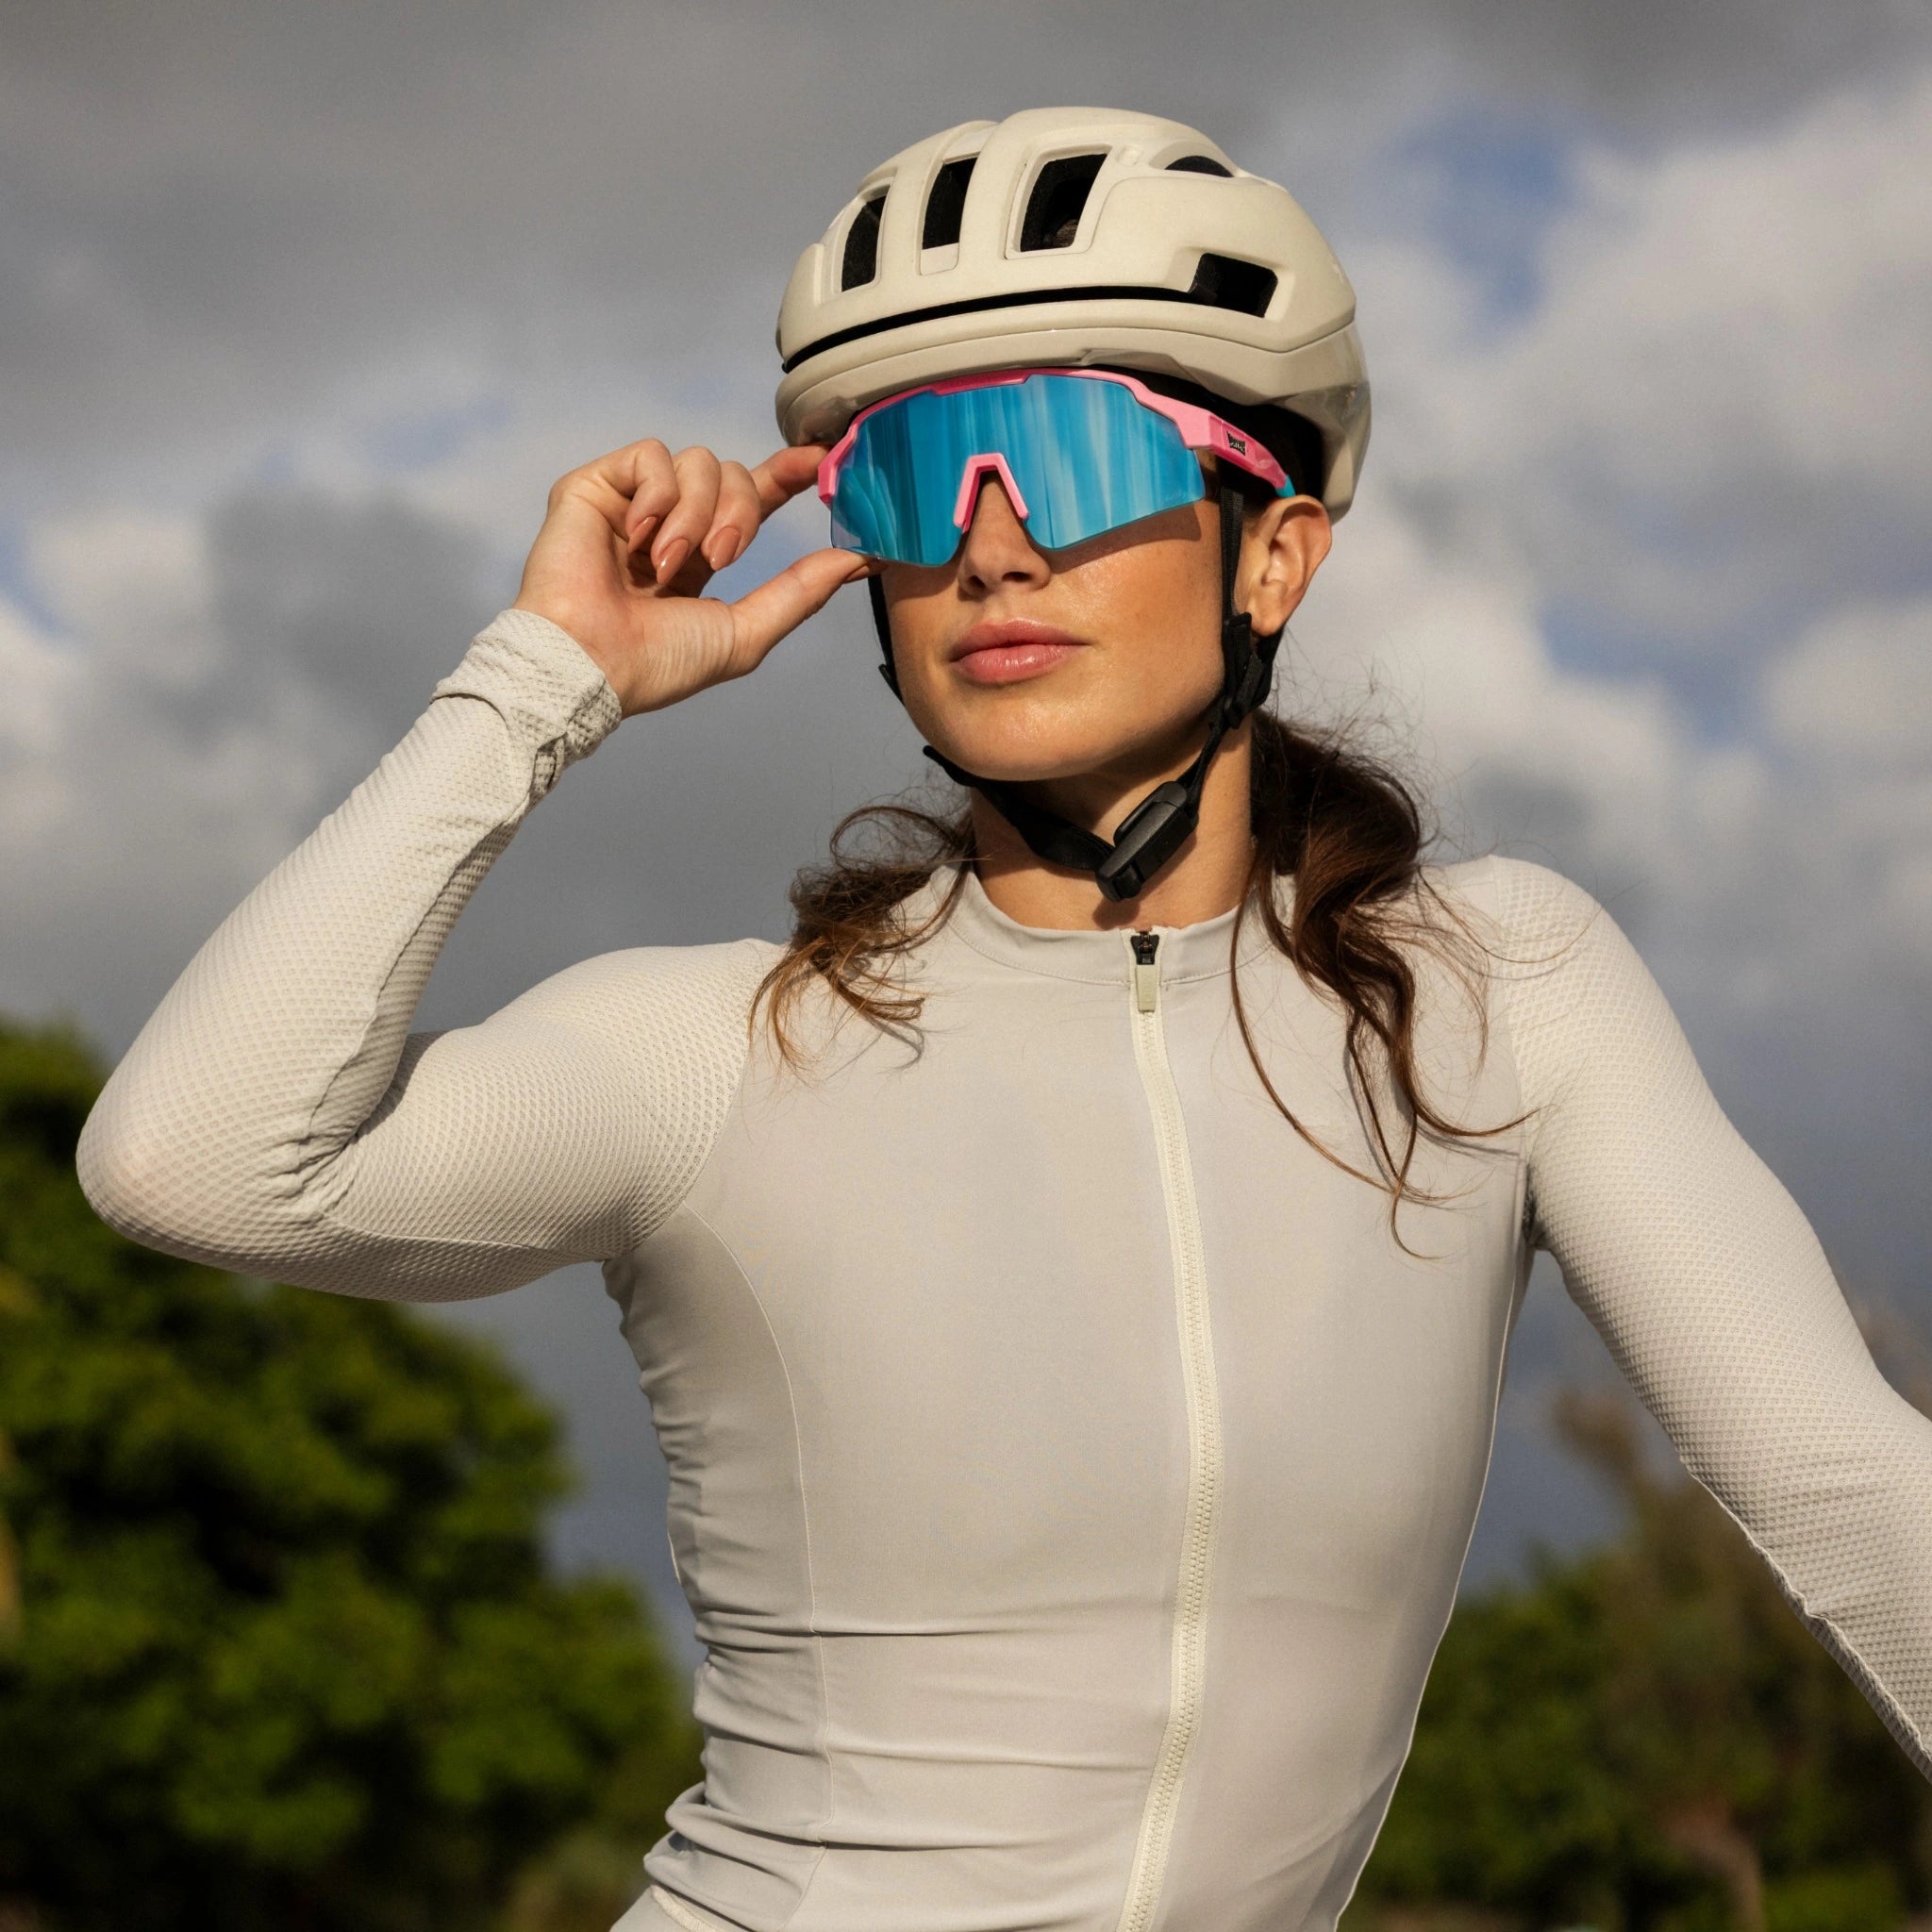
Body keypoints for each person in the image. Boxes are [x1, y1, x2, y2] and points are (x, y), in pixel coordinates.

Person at [76, 107, 1932, 1932]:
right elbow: (187, 1159)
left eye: (1064, 451)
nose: (988, 542)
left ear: (1271, 554)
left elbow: (1842, 1484)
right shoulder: (716, 1048)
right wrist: (543, 678)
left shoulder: (1495, 987)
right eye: (911, 477)